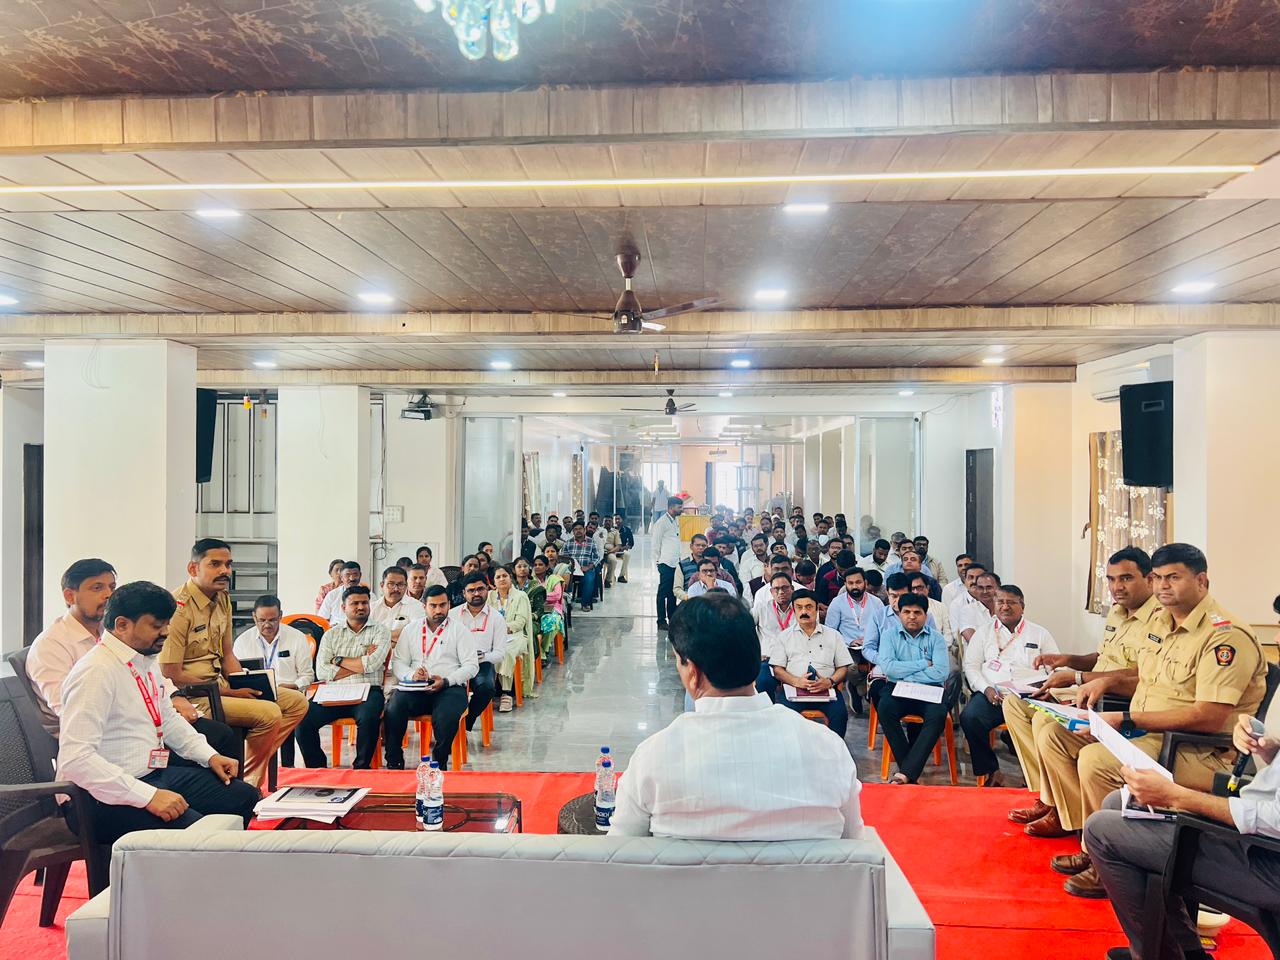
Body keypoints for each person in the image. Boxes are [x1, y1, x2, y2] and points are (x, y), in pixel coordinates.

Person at [1039, 542, 1265, 898]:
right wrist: (1108, 683)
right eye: (1157, 577)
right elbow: (1143, 675)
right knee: (1057, 734)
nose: (1162, 586)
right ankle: (1087, 835)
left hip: (1197, 749)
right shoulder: (1161, 621)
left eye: (1173, 577)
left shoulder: (1224, 636)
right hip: (1146, 731)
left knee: (1096, 761)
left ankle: (1110, 858)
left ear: (1202, 581)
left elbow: (1208, 717)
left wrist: (1126, 718)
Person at [608, 592, 862, 840]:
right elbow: (855, 845)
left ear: (692, 673)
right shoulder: (828, 749)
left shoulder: (653, 757)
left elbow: (619, 853)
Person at [57, 581, 258, 844]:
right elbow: (76, 759)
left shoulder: (144, 659)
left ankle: (217, 867)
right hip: (99, 797)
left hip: (151, 774)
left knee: (242, 797)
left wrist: (209, 756)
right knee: (202, 835)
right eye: (156, 626)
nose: (166, 632)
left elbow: (168, 719)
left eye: (167, 624)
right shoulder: (96, 671)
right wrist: (147, 796)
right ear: (122, 625)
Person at [1085, 712, 1280, 960]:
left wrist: (1177, 796)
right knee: (1118, 804)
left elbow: (1274, 818)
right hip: (1258, 838)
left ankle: (1165, 954)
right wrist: (1270, 750)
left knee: (1100, 832)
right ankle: (1186, 952)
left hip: (1267, 859)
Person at [28, 558, 241, 764]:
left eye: (112, 587)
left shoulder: (116, 629)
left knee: (219, 734)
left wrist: (174, 696)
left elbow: (149, 670)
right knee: (209, 744)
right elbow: (68, 709)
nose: (108, 594)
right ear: (69, 596)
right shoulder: (51, 645)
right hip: (104, 741)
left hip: (140, 722)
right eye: (97, 588)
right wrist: (146, 714)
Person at [1005, 547, 1157, 831]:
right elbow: (1102, 657)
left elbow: (1138, 675)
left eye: (1125, 578)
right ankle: (1048, 795)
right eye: (1111, 579)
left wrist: (1076, 677)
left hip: (1113, 698)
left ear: (1149, 579)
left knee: (1044, 722)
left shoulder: (1158, 620)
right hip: (1089, 686)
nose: (1116, 587)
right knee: (1015, 704)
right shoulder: (1117, 612)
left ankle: (1066, 812)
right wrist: (1067, 659)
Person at [162, 538, 307, 788]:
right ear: (193, 568)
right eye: (215, 564)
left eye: (228, 564)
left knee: (296, 702)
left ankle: (248, 768)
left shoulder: (222, 599)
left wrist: (243, 683)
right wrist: (231, 692)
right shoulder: (178, 608)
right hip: (196, 695)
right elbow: (171, 673)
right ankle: (249, 782)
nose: (225, 571)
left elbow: (228, 654)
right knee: (270, 713)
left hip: (222, 685)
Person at [960, 584, 1058, 788]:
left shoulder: (1039, 633)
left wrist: (1047, 688)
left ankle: (1033, 776)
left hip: (1030, 698)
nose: (1005, 606)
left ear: (1022, 606)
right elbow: (971, 666)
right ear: (994, 605)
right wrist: (986, 689)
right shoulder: (983, 633)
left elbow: (1056, 668)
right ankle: (992, 771)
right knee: (970, 717)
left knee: (1045, 724)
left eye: (1011, 602)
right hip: (995, 695)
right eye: (1000, 602)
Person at [382, 585, 478, 769]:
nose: (438, 610)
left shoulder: (460, 630)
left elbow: (471, 666)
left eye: (443, 605)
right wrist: (411, 675)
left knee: (447, 716)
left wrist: (447, 680)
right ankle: (394, 761)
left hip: (449, 687)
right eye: (433, 606)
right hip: (416, 687)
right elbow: (399, 662)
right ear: (424, 606)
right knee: (393, 708)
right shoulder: (411, 629)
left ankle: (438, 762)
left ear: (449, 605)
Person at [296, 584, 391, 769]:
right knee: (303, 719)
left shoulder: (380, 631)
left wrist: (337, 660)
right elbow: (322, 672)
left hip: (367, 691)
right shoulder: (331, 634)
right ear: (343, 607)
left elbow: (372, 664)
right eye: (355, 603)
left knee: (369, 718)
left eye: (364, 603)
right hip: (333, 692)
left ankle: (361, 769)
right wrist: (361, 662)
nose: (361, 607)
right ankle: (317, 768)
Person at [875, 593, 951, 784]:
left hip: (930, 690)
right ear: (899, 613)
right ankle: (909, 772)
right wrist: (924, 663)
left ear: (926, 615)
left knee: (938, 715)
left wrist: (905, 674)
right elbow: (889, 669)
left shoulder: (936, 638)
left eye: (917, 612)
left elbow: (941, 673)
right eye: (906, 612)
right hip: (898, 688)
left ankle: (906, 773)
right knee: (885, 708)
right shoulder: (889, 635)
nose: (911, 616)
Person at [231, 594, 315, 766]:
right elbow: (236, 675)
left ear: (281, 616)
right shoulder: (243, 641)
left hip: (288, 693)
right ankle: (255, 763)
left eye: (272, 620)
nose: (267, 625)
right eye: (262, 620)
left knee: (287, 708)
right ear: (254, 617)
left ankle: (287, 767)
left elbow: (307, 675)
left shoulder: (296, 638)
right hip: (256, 697)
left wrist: (294, 686)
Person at [769, 589, 852, 738]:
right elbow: (777, 670)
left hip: (826, 690)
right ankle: (792, 750)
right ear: (794, 609)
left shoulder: (834, 635)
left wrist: (830, 681)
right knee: (782, 717)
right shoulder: (784, 637)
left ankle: (834, 750)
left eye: (808, 607)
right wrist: (796, 681)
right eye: (799, 607)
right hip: (794, 690)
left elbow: (843, 668)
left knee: (840, 715)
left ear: (817, 608)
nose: (804, 612)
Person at [458, 572, 508, 729]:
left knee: (487, 688)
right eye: (471, 590)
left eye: (480, 589)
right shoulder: (453, 615)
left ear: (487, 589)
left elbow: (500, 654)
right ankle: (450, 724)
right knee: (446, 689)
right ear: (464, 593)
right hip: (455, 663)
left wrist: (482, 656)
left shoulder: (497, 618)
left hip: (482, 663)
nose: (476, 593)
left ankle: (466, 722)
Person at [489, 564, 533, 711]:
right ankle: (488, 692)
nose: (502, 579)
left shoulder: (520, 596)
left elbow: (520, 623)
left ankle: (506, 694)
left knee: (505, 652)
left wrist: (501, 628)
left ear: (511, 578)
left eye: (505, 576)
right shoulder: (489, 596)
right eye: (498, 577)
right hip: (493, 636)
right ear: (493, 581)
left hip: (516, 636)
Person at [824, 567, 885, 653]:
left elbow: (883, 628)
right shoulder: (837, 603)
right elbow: (830, 632)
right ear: (845, 584)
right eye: (850, 583)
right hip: (847, 649)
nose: (855, 586)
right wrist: (849, 642)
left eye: (858, 582)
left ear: (865, 582)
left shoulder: (876, 602)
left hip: (873, 648)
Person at [370, 565, 426, 644]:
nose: (396, 589)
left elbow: (416, 633)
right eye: (391, 584)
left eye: (400, 585)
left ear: (406, 586)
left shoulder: (416, 606)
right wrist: (398, 637)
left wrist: (379, 637)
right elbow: (366, 636)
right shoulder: (372, 608)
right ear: (382, 585)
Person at [652, 495, 683, 629]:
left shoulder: (675, 520)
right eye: (679, 507)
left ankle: (672, 617)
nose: (681, 509)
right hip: (665, 563)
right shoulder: (661, 523)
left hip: (675, 562)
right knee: (663, 593)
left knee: (672, 592)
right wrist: (658, 562)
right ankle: (661, 621)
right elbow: (655, 544)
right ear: (671, 508)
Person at [562, 519, 603, 612]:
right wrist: (571, 567)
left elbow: (597, 557)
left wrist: (588, 567)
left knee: (589, 579)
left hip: (586, 568)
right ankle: (568, 603)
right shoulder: (568, 542)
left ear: (584, 530)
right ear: (573, 531)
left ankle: (585, 603)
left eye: (580, 529)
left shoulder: (591, 542)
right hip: (572, 569)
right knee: (565, 578)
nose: (578, 531)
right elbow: (564, 558)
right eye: (575, 529)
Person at [532, 554, 566, 660]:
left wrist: (540, 597)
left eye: (540, 564)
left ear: (547, 567)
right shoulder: (531, 581)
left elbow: (557, 595)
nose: (537, 567)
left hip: (552, 608)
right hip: (536, 609)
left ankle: (543, 650)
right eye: (535, 565)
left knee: (552, 620)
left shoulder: (554, 578)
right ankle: (541, 653)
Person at [613, 513, 634, 583]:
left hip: (621, 551)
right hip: (611, 551)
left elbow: (631, 543)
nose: (617, 521)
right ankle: (611, 575)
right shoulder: (610, 529)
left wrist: (623, 548)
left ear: (622, 520)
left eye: (618, 519)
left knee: (627, 555)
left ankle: (621, 576)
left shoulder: (627, 530)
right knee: (611, 558)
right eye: (615, 519)